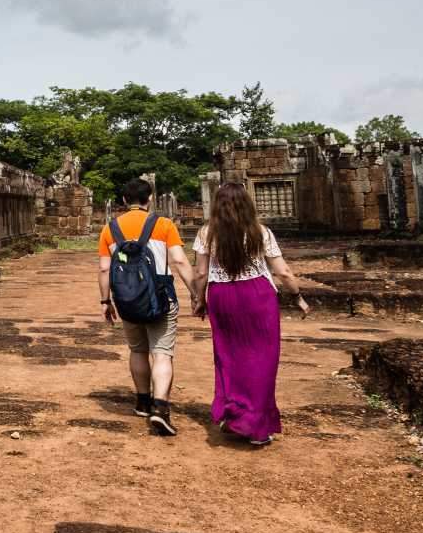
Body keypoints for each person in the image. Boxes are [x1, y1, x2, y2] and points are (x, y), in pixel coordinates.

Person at [188, 182, 309, 446]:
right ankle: (255, 425)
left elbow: (200, 273)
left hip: (222, 296)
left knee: (229, 355)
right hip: (257, 295)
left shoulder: (207, 232)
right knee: (263, 358)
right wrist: (297, 296)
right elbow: (283, 271)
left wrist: (199, 300)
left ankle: (235, 412)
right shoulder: (260, 232)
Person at [97, 179, 191, 436]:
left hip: (127, 299)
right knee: (161, 352)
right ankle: (160, 408)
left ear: (124, 201)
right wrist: (196, 293)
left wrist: (106, 301)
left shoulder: (110, 229)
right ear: (150, 199)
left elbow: (105, 268)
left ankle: (142, 401)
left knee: (138, 350)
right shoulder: (163, 225)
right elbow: (180, 261)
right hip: (161, 298)